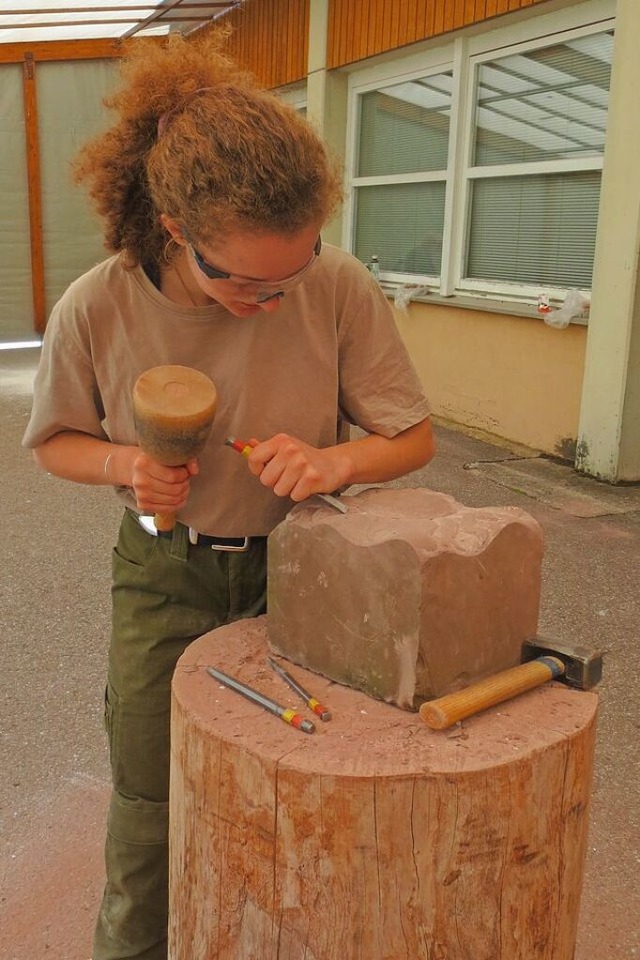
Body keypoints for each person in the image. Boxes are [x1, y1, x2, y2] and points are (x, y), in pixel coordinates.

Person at [22, 29, 434, 960]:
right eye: (246, 282)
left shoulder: (332, 284)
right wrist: (127, 466)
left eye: (296, 270)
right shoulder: (99, 304)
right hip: (167, 570)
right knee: (148, 798)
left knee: (319, 783)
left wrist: (336, 466)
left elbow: (413, 437)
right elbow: (55, 445)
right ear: (176, 232)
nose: (276, 300)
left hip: (311, 565)